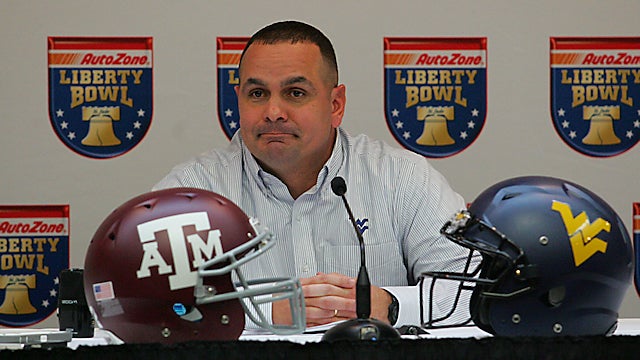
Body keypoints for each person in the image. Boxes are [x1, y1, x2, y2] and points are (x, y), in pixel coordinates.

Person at [153, 20, 474, 330]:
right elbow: (144, 305)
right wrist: (269, 311)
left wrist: (392, 305)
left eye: (295, 93)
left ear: (335, 104)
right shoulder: (192, 194)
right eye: (257, 94)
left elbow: (474, 289)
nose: (273, 112)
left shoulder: (403, 178)